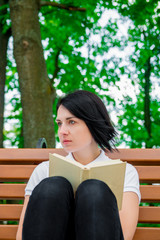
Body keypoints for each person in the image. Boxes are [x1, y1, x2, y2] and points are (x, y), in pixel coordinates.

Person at [16, 90, 140, 240]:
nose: (62, 131)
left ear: (93, 122)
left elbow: (124, 234)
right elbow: (22, 235)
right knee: (53, 185)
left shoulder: (125, 172)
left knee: (94, 189)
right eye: (60, 123)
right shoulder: (44, 170)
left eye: (72, 122)